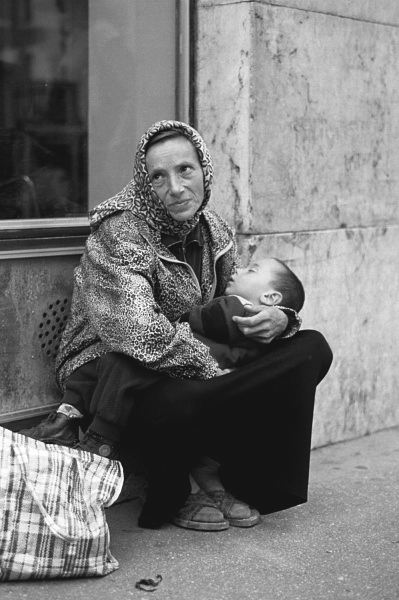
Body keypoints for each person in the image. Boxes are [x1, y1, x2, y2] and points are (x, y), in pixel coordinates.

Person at [20, 120, 332, 531]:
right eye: (158, 177)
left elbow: (234, 303)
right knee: (185, 392)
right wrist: (215, 366)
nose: (176, 187)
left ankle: (240, 473)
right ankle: (187, 483)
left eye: (185, 169)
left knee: (311, 346)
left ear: (204, 169)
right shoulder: (120, 232)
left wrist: (279, 320)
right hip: (113, 368)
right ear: (145, 184)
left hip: (189, 357)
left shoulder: (214, 228)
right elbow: (137, 334)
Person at [183, 257, 305, 370]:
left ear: (269, 297)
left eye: (251, 270)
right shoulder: (268, 335)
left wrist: (184, 317)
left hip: (194, 360)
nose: (237, 269)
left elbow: (206, 321)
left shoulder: (237, 307)